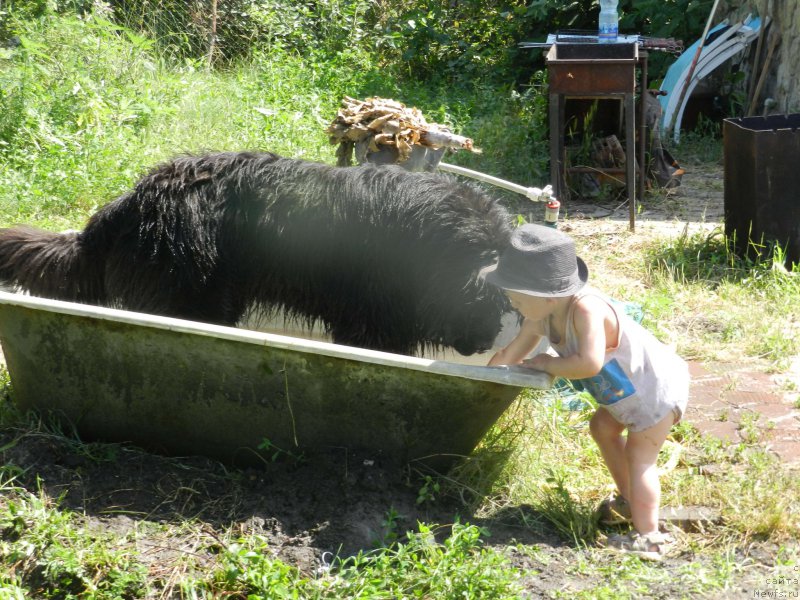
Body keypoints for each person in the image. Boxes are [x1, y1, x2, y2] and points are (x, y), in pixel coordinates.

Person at [481, 223, 689, 561]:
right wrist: (483, 380)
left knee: (641, 458)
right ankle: (627, 501)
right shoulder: (541, 316)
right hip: (624, 395)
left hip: (654, 390)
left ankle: (649, 537)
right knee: (601, 428)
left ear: (546, 294)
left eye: (517, 299)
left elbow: (589, 363)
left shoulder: (585, 310)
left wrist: (548, 363)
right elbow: (510, 354)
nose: (513, 306)